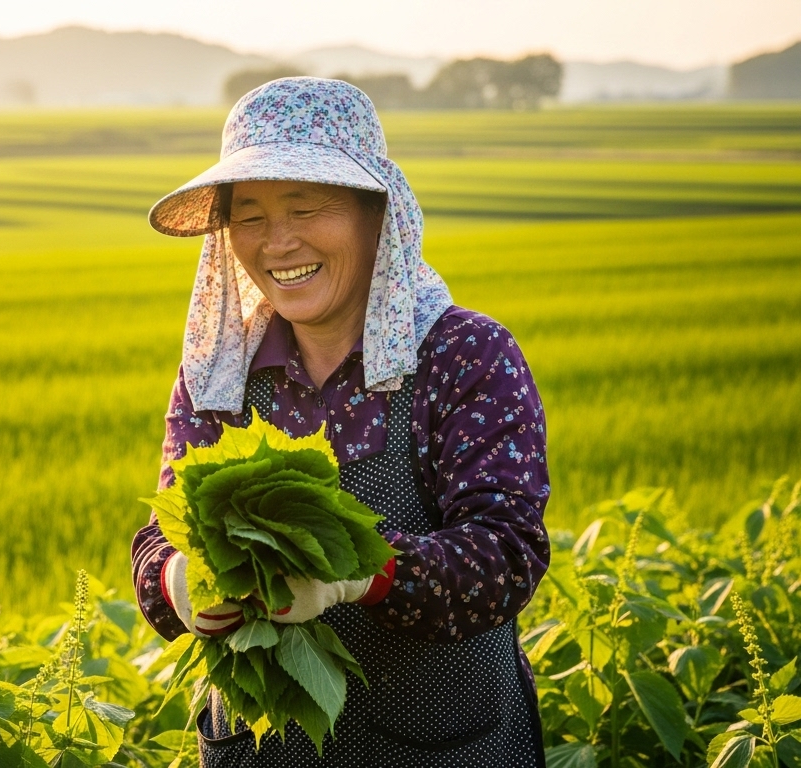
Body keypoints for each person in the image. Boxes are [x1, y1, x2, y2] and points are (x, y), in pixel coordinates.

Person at [130, 77, 550, 767]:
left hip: (443, 746)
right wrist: (176, 579)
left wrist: (359, 573)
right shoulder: (218, 374)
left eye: (307, 207)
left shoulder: (462, 356)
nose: (277, 242)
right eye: (252, 215)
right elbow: (162, 530)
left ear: (375, 215)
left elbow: (506, 556)